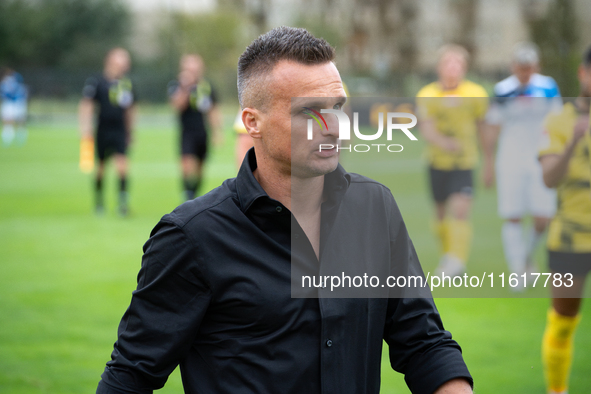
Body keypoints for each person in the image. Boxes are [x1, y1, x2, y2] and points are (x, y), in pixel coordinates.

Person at [96, 27, 473, 394]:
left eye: (338, 107)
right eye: (309, 111)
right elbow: (129, 377)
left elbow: (423, 342)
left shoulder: (375, 208)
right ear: (252, 123)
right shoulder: (192, 237)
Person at [484, 42, 562, 286]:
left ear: (536, 67)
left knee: (543, 219)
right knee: (513, 215)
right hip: (510, 159)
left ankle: (527, 258)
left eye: (528, 68)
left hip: (541, 159)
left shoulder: (548, 87)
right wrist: (488, 162)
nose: (524, 72)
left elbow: (558, 122)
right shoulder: (503, 90)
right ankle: (517, 270)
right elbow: (493, 125)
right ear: (513, 67)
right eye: (520, 67)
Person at [538, 46, 591, 394]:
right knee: (563, 323)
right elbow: (549, 178)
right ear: (583, 73)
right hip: (572, 237)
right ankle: (558, 391)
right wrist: (573, 141)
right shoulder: (559, 120)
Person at [416, 45, 489, 276]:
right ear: (439, 67)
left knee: (460, 210)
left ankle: (457, 261)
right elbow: (426, 128)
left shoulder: (476, 94)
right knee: (440, 214)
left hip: (464, 162)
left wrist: (489, 160)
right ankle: (448, 257)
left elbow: (482, 128)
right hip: (436, 162)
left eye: (457, 64)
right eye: (448, 63)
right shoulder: (427, 95)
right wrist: (444, 142)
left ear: (464, 68)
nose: (452, 68)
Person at [79, 48, 136, 216]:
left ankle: (122, 204)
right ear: (111, 61)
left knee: (123, 166)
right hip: (103, 129)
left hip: (119, 130)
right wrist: (85, 128)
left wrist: (130, 132)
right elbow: (87, 105)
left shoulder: (126, 84)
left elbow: (130, 110)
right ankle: (99, 204)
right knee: (101, 167)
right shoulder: (97, 81)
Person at [168, 54, 223, 200]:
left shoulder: (207, 86)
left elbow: (213, 110)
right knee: (186, 166)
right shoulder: (177, 85)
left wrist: (217, 132)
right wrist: (186, 87)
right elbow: (177, 106)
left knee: (200, 169)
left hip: (202, 132)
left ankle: (194, 195)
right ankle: (187, 197)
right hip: (186, 132)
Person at [1, 67, 28, 147]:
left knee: (14, 121)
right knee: (11, 121)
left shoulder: (10, 82)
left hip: (14, 103)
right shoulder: (8, 82)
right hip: (13, 103)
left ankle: (15, 138)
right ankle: (9, 138)